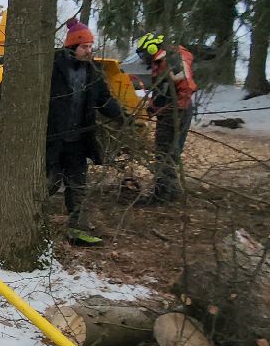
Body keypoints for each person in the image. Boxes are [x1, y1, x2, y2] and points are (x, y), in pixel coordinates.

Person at [47, 20, 125, 247]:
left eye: (91, 46)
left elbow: (104, 100)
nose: (89, 51)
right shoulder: (53, 67)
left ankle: (77, 231)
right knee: (46, 184)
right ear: (72, 47)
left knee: (78, 186)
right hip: (52, 140)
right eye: (85, 47)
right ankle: (29, 225)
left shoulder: (93, 73)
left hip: (78, 141)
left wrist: (121, 116)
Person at [136, 32, 197, 203]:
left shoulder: (172, 60)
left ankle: (163, 194)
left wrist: (177, 110)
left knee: (166, 153)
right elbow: (162, 91)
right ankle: (171, 191)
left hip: (176, 112)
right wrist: (153, 107)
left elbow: (185, 85)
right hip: (168, 111)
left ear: (152, 48)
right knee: (166, 152)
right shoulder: (160, 62)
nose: (142, 59)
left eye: (143, 54)